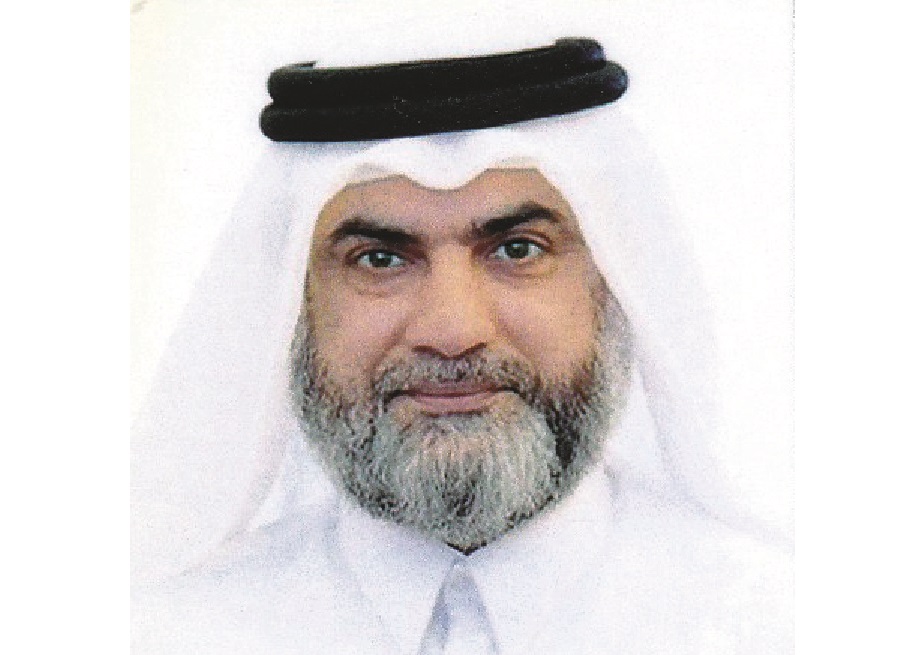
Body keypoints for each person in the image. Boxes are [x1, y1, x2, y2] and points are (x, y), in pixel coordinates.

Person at [132, 38, 792, 655]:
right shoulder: (166, 631)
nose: (452, 330)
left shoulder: (780, 620)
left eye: (518, 250)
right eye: (380, 259)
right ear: (296, 307)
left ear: (613, 286)